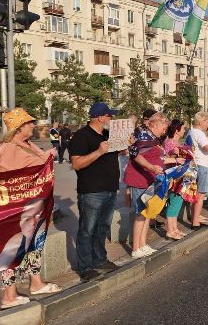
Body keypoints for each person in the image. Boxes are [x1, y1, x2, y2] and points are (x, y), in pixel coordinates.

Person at [0, 108, 61, 308]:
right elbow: (6, 179)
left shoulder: (27, 144)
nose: (33, 125)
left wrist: (46, 157)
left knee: (34, 244)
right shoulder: (9, 148)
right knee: (12, 248)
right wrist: (45, 158)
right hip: (16, 208)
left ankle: (36, 283)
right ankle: (9, 295)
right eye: (29, 123)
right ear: (18, 127)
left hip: (33, 205)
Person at [69, 103, 122, 282]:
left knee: (102, 228)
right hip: (92, 191)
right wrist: (99, 152)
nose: (111, 120)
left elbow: (117, 153)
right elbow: (76, 164)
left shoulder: (107, 135)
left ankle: (100, 259)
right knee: (87, 230)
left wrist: (125, 145)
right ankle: (84, 267)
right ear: (100, 117)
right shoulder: (81, 136)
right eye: (109, 116)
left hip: (110, 188)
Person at [125, 112, 183, 258]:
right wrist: (151, 168)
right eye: (164, 127)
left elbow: (160, 158)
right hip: (139, 179)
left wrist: (175, 160)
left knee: (147, 213)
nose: (165, 130)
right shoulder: (144, 136)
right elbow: (135, 155)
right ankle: (136, 248)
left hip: (149, 179)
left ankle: (143, 244)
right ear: (156, 123)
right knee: (141, 214)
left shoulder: (153, 138)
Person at [185, 112, 208, 229]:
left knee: (195, 195)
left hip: (194, 165)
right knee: (201, 195)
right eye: (206, 121)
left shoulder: (190, 132)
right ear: (200, 122)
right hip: (202, 165)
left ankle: (195, 218)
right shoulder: (199, 133)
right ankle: (195, 222)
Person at [163, 119, 189, 239]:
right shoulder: (170, 142)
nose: (185, 130)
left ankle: (174, 228)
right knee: (174, 202)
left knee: (177, 202)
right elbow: (166, 158)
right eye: (183, 128)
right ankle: (170, 230)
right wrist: (174, 154)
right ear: (177, 130)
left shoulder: (174, 142)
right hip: (174, 177)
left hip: (180, 176)